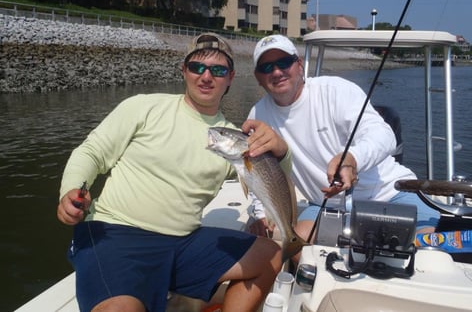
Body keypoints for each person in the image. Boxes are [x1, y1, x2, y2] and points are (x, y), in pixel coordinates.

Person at [56, 32, 291, 312]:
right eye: (197, 67)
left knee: (271, 256)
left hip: (182, 242)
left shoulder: (233, 139)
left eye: (218, 70)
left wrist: (281, 153)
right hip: (116, 233)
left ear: (230, 77)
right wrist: (70, 190)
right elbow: (91, 152)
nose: (206, 77)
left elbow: (273, 181)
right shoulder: (144, 107)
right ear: (184, 71)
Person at [247, 34, 440, 245]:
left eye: (284, 63)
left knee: (424, 253)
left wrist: (352, 159)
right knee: (297, 247)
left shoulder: (336, 91)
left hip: (390, 194)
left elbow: (384, 135)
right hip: (324, 204)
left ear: (299, 65)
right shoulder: (257, 116)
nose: (276, 72)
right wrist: (260, 214)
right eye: (267, 67)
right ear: (257, 77)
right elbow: (257, 173)